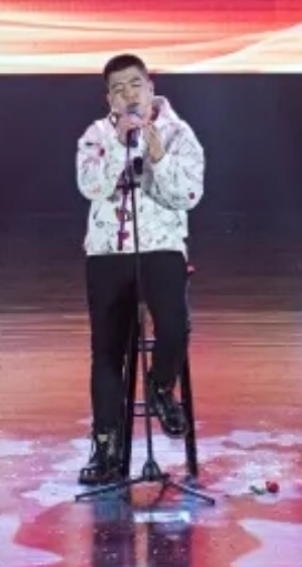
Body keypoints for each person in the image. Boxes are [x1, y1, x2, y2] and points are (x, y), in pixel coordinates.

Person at [74, 53, 206, 486]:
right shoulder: (96, 135)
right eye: (117, 89)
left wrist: (159, 157)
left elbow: (188, 195)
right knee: (106, 349)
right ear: (109, 99)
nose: (127, 95)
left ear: (150, 88)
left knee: (174, 325)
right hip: (107, 251)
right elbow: (91, 187)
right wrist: (118, 145)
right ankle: (106, 445)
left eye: (134, 85)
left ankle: (161, 386)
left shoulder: (179, 134)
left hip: (161, 247)